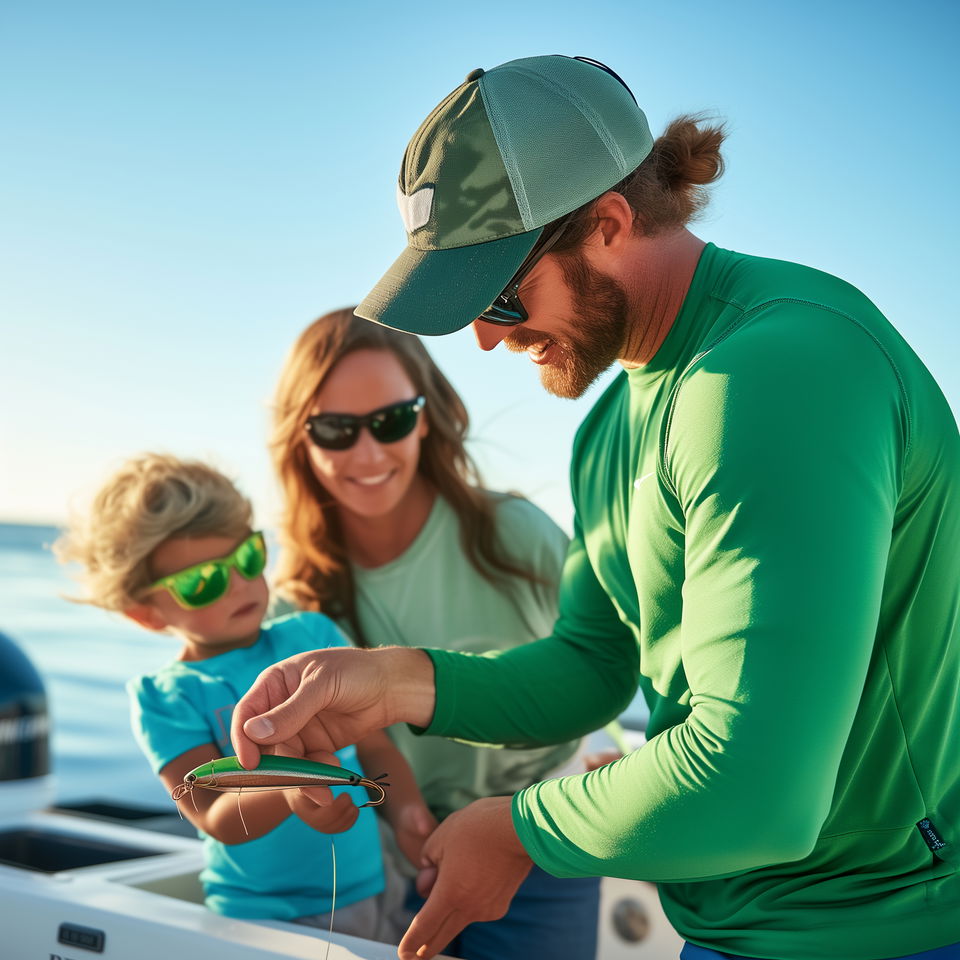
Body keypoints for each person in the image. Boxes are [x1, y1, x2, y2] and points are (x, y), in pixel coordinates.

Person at [231, 55, 960, 960]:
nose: (489, 338)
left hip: (881, 932)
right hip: (729, 928)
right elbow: (592, 664)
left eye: (499, 294)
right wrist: (396, 682)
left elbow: (756, 791)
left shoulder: (779, 373)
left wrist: (518, 829)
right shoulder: (614, 425)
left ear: (610, 223)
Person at [266, 306, 601, 960]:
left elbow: (607, 660)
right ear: (299, 439)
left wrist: (615, 756)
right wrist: (359, 802)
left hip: (540, 842)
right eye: (335, 429)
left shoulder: (514, 535)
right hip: (403, 864)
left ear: (427, 415)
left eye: (391, 421)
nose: (367, 454)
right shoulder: (299, 601)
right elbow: (341, 755)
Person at [55, 453, 431, 941]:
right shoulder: (166, 698)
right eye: (202, 582)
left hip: (376, 888)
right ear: (146, 614)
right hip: (260, 918)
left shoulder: (314, 636)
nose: (238, 584)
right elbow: (214, 816)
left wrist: (407, 812)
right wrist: (291, 787)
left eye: (247, 557)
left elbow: (375, 746)